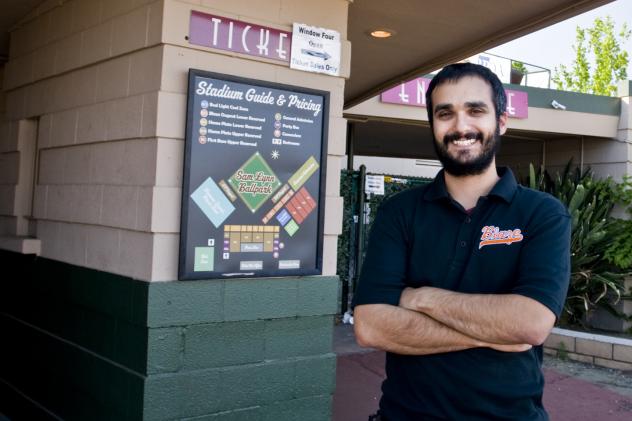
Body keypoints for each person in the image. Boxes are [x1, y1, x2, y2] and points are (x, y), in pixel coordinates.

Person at [353, 62, 571, 421]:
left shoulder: (542, 214)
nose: (460, 126)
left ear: (501, 121)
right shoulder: (399, 212)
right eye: (445, 114)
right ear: (433, 125)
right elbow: (370, 325)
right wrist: (493, 332)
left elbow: (530, 324)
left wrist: (419, 297)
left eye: (475, 110)